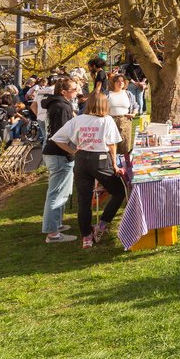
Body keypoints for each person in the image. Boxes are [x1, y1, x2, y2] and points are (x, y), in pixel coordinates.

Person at [51, 89, 125, 249]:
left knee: (84, 201)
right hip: (100, 159)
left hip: (81, 160)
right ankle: (102, 225)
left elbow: (57, 138)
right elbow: (112, 144)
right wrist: (115, 165)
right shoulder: (107, 120)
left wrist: (72, 151)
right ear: (105, 105)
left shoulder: (78, 120)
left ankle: (86, 237)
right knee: (119, 192)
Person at [40, 78, 80, 243]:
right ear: (63, 92)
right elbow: (59, 137)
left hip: (56, 153)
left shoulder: (59, 105)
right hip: (58, 154)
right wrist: (72, 152)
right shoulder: (61, 107)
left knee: (61, 192)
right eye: (73, 89)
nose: (76, 92)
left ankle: (56, 224)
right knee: (56, 193)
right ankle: (53, 233)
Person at [105, 73, 138, 171]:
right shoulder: (107, 94)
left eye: (122, 81)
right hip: (111, 120)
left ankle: (125, 167)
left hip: (125, 121)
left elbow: (136, 106)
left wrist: (134, 114)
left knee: (125, 145)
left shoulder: (128, 94)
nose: (120, 83)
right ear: (113, 83)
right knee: (112, 144)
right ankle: (113, 166)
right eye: (118, 81)